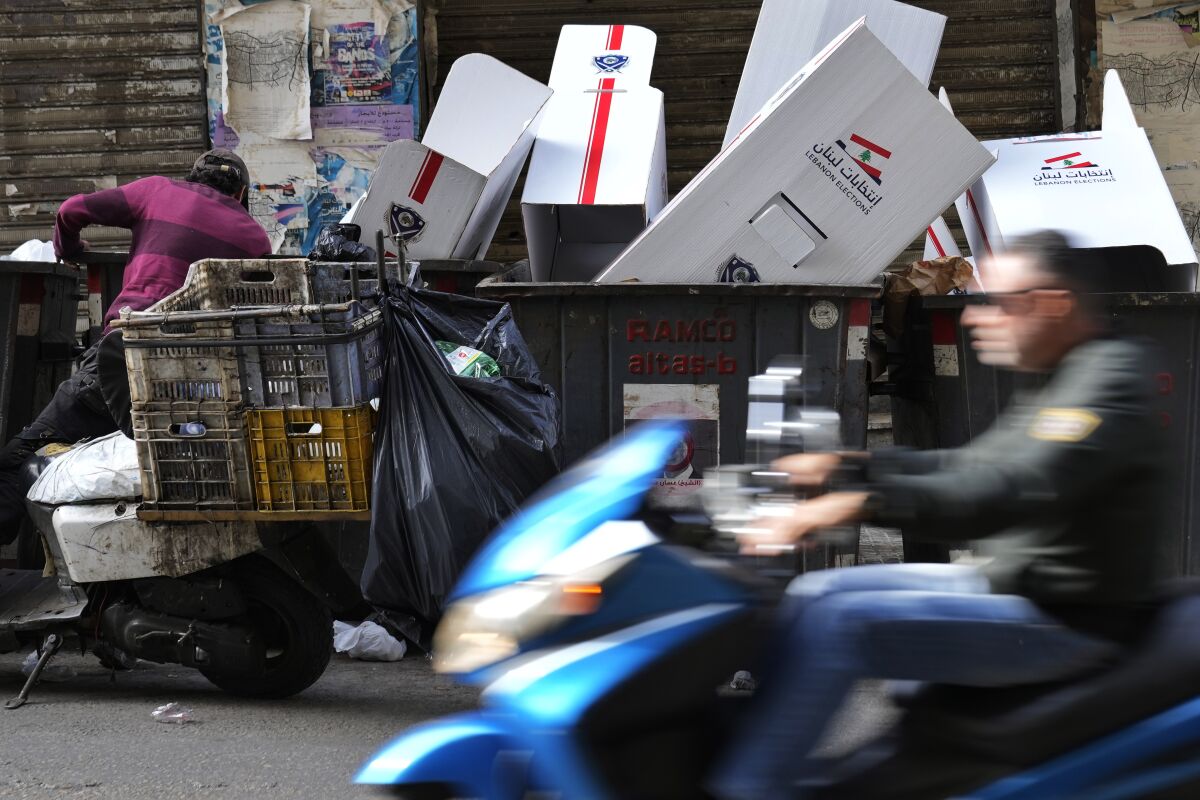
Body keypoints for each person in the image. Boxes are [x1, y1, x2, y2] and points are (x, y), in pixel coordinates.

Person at [712, 230, 1169, 799]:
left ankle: (750, 788)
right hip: (1013, 583)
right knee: (816, 596)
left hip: (1064, 620)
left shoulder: (1106, 384)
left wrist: (859, 501)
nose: (977, 320)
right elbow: (974, 463)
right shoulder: (1066, 371)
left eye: (995, 304)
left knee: (840, 627)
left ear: (1052, 304)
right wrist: (850, 466)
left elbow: (1005, 490)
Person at [0, 149, 271, 540]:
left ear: (191, 178)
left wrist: (70, 251)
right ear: (242, 193)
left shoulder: (157, 191)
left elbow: (71, 210)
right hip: (197, 389)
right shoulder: (254, 236)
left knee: (21, 458)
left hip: (120, 366)